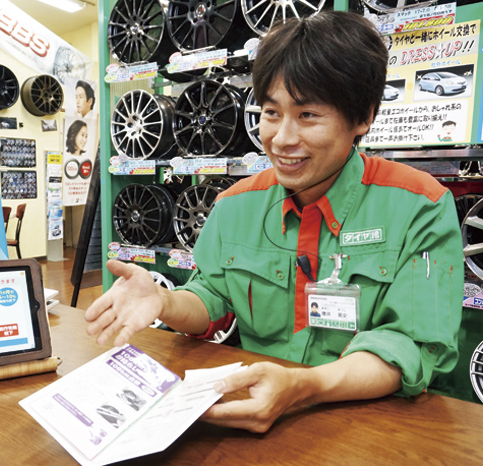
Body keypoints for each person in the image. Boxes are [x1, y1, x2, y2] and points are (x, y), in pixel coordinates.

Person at [85, 11, 463, 434]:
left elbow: (410, 346)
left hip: (370, 427)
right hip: (254, 419)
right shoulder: (235, 205)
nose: (281, 139)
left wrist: (305, 385)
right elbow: (213, 300)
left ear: (363, 118)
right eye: (270, 112)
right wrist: (165, 302)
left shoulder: (419, 205)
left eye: (308, 116)